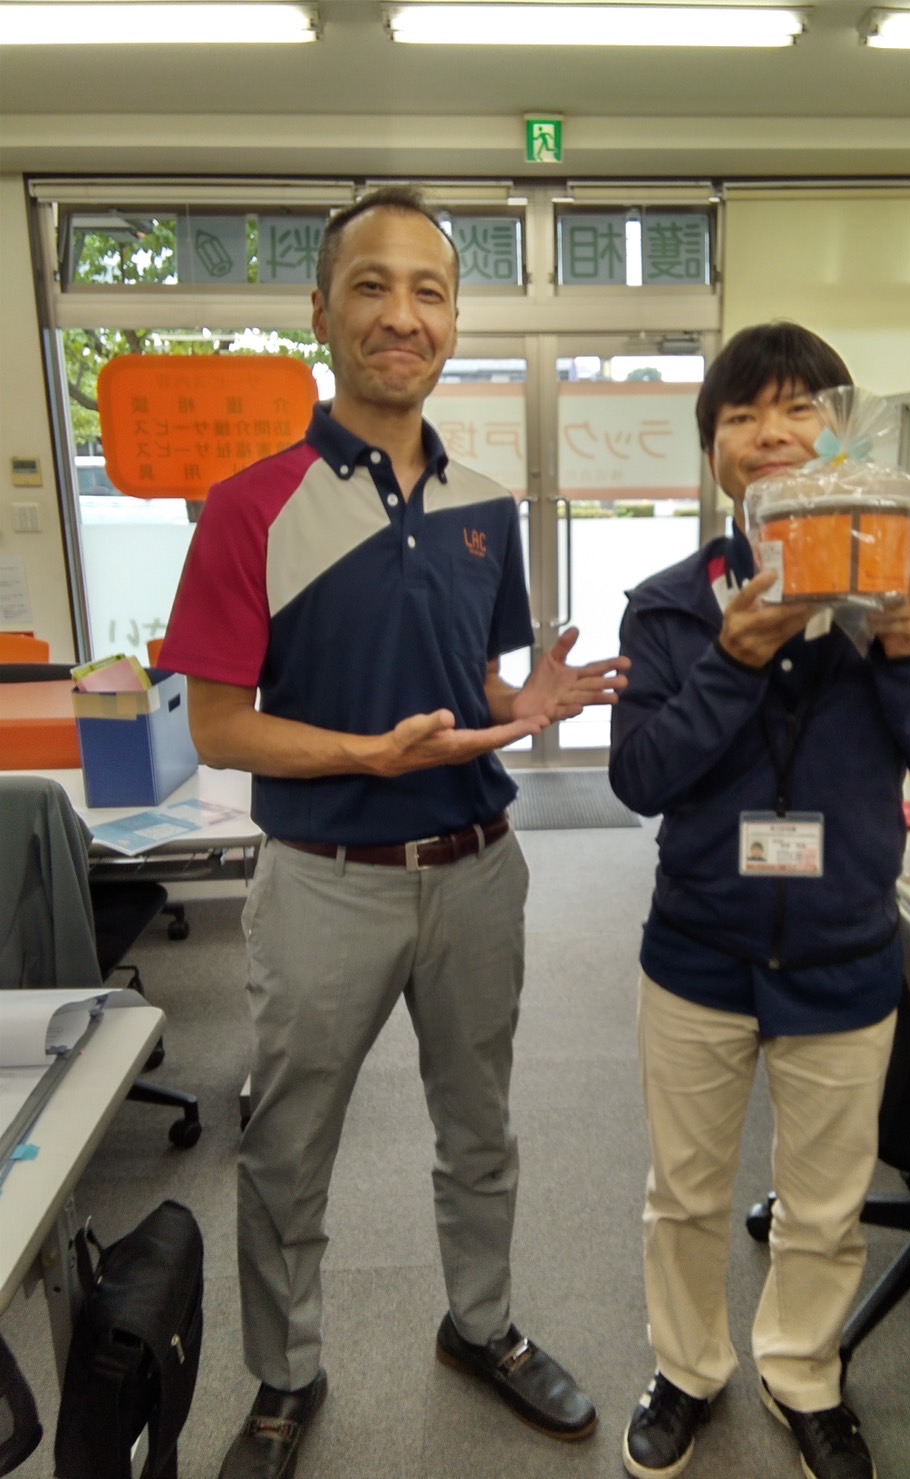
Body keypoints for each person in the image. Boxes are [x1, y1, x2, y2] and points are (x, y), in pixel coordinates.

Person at [159, 185, 629, 1479]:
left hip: (476, 871)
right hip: (324, 882)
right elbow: (219, 726)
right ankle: (285, 1372)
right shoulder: (250, 506)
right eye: (371, 285)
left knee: (480, 1128)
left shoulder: (484, 503)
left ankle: (481, 1326)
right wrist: (362, 754)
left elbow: (474, 685)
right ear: (321, 311)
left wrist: (519, 703)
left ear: (454, 320)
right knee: (288, 1144)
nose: (401, 314)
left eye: (428, 289)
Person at [609, 322, 910, 1479]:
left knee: (823, 1205)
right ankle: (685, 1369)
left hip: (842, 952)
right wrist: (730, 662)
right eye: (740, 416)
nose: (770, 434)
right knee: (684, 1196)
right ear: (713, 453)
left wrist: (906, 654)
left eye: (796, 410)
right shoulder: (671, 606)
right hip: (698, 949)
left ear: (839, 436)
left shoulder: (906, 586)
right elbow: (637, 777)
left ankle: (801, 1371)